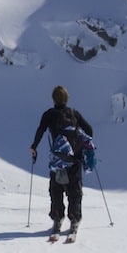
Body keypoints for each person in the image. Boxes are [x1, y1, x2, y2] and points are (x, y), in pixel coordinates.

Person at [30, 85, 93, 235]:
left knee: (56, 190)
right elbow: (89, 130)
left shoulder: (49, 115)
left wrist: (33, 147)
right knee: (74, 191)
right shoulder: (74, 114)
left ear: (53, 98)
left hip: (58, 161)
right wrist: (82, 144)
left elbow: (40, 131)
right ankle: (75, 220)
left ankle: (58, 219)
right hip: (75, 159)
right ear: (67, 98)